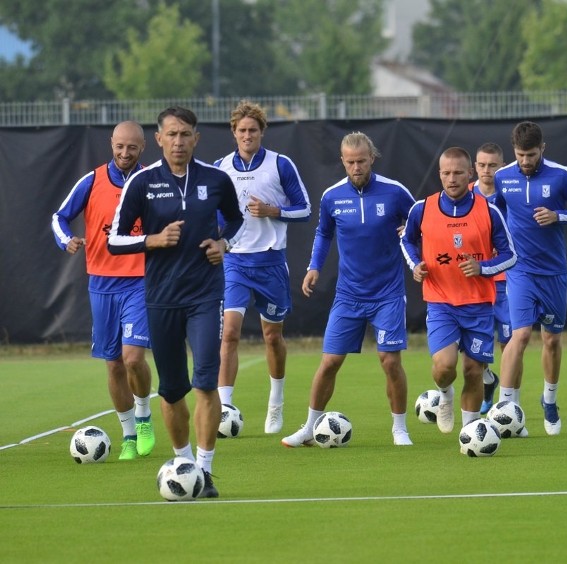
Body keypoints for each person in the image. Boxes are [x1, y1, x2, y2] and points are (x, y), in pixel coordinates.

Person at [108, 106, 244, 497]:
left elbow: (235, 220)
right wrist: (152, 240)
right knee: (170, 390)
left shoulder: (216, 180)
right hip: (161, 298)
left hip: (206, 294)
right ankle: (182, 461)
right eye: (172, 135)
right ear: (159, 139)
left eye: (186, 134)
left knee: (205, 383)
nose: (179, 141)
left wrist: (224, 243)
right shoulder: (142, 183)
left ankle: (203, 472)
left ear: (196, 138)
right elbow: (113, 239)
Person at [281, 132, 416, 447]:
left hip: (388, 293)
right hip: (349, 295)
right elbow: (323, 233)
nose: (356, 167)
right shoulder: (332, 196)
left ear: (372, 158)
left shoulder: (395, 192)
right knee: (329, 362)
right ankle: (309, 427)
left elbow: (422, 222)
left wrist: (411, 229)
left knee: (389, 360)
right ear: (342, 161)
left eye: (362, 161)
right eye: (350, 162)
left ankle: (400, 429)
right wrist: (314, 266)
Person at [51, 121, 156, 461]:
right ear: (111, 143)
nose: (125, 153)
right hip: (101, 283)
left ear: (143, 148)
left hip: (140, 281)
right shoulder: (92, 180)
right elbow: (59, 217)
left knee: (133, 358)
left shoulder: (152, 180)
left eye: (132, 148)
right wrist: (67, 240)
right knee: (113, 365)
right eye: (120, 146)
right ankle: (127, 435)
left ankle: (143, 418)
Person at [401, 147, 516, 434]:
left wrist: (483, 268)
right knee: (445, 367)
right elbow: (407, 240)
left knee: (473, 371)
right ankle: (445, 394)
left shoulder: (489, 211)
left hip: (478, 304)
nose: (452, 179)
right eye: (446, 173)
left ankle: (471, 432)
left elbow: (511, 255)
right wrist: (415, 264)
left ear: (470, 174)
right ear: (440, 174)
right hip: (441, 302)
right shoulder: (422, 208)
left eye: (458, 173)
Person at [214, 101, 311, 434]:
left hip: (270, 261)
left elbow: (305, 209)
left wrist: (273, 211)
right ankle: (224, 407)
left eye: (252, 130)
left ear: (262, 131)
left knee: (273, 337)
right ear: (233, 132)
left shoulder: (280, 165)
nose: (246, 135)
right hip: (235, 262)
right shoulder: (220, 167)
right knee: (229, 333)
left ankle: (276, 400)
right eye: (241, 130)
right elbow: (213, 213)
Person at [493, 121, 567, 436]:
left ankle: (549, 400)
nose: (525, 161)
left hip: (552, 273)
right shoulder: (502, 177)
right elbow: (494, 216)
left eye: (531, 154)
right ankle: (505, 408)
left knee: (551, 339)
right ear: (514, 151)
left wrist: (557, 216)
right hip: (519, 270)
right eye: (521, 155)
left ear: (543, 149)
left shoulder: (561, 175)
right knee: (519, 336)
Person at [470, 142, 509, 414]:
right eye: (482, 165)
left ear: (502, 166)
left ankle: (505, 406)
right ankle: (487, 380)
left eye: (493, 165)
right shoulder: (465, 195)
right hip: (474, 281)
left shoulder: (510, 194)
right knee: (474, 350)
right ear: (475, 167)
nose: (487, 170)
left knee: (509, 341)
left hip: (507, 279)